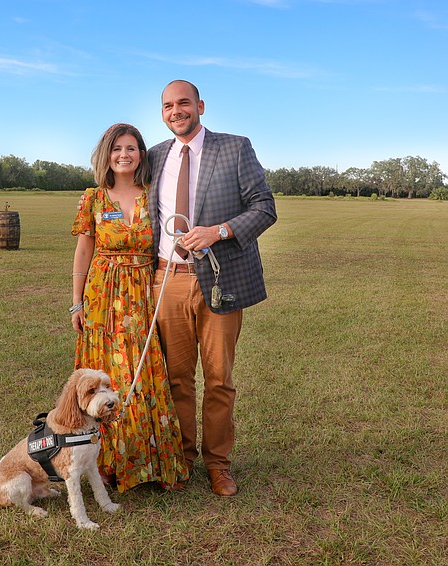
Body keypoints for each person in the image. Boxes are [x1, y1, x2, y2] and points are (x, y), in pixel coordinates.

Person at [149, 80, 277, 496]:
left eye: (183, 103)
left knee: (219, 379)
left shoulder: (235, 148)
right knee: (177, 380)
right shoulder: (154, 157)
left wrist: (219, 231)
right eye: (168, 105)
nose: (176, 111)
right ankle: (182, 460)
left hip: (220, 283)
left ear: (200, 105)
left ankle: (218, 464)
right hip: (167, 281)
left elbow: (265, 207)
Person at [71, 123, 188, 493]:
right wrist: (76, 302)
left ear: (142, 155)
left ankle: (150, 462)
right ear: (106, 154)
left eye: (132, 148)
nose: (124, 154)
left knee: (144, 375)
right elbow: (84, 251)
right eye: (117, 148)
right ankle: (104, 464)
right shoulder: (93, 198)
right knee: (107, 376)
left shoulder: (154, 196)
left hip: (142, 295)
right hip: (102, 298)